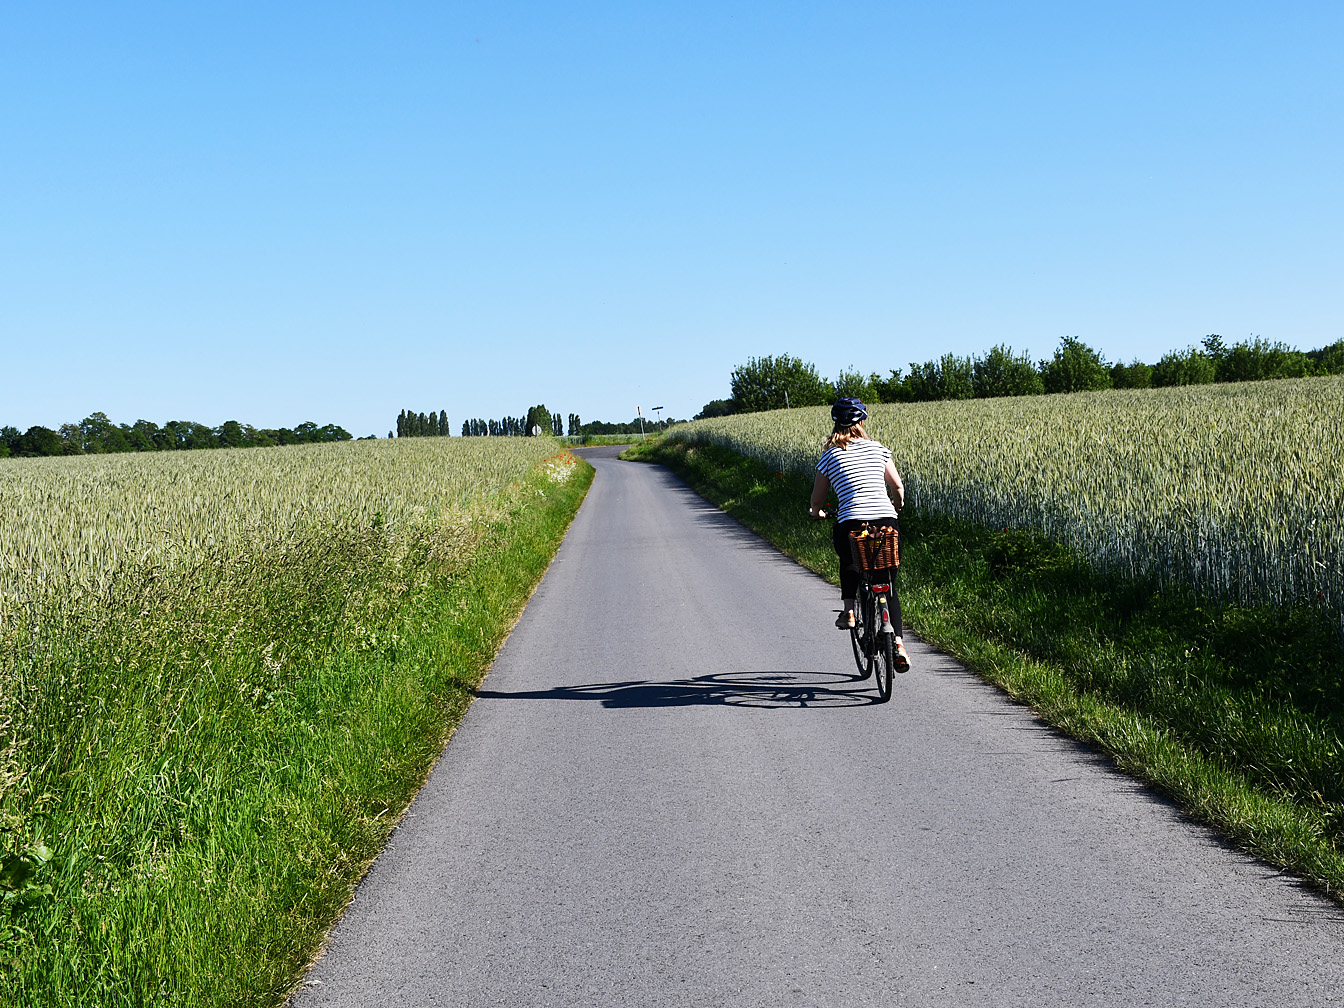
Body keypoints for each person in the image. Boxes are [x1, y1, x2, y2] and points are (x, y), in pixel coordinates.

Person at [808, 397, 910, 670]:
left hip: (851, 520)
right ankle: (898, 643)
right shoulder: (879, 449)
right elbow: (898, 489)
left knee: (850, 560)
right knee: (888, 583)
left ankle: (849, 611)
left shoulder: (830, 455)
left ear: (835, 424)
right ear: (862, 422)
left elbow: (817, 501)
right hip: (887, 520)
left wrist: (816, 512)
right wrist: (896, 507)